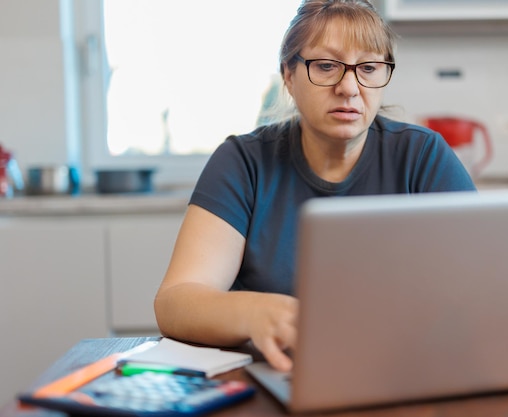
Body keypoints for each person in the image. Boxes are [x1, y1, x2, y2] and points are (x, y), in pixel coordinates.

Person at [154, 0, 476, 373]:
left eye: (369, 68)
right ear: (288, 76)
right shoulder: (243, 162)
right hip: (279, 374)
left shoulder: (424, 157)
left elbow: (480, 291)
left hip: (404, 371)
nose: (349, 87)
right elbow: (175, 302)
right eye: (326, 66)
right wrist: (254, 312)